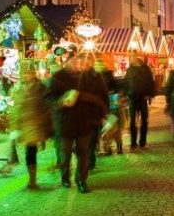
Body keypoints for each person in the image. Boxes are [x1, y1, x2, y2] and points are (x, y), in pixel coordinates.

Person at [47, 52, 109, 194]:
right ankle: (65, 177)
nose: (77, 64)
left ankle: (81, 181)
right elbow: (48, 99)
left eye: (78, 61)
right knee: (65, 153)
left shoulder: (85, 77)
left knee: (83, 153)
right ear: (66, 62)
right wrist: (62, 101)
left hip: (83, 122)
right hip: (65, 122)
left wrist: (101, 115)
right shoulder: (57, 78)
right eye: (74, 61)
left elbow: (98, 95)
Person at [10, 65, 52, 189]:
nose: (27, 75)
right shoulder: (17, 87)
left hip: (36, 123)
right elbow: (15, 107)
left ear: (34, 73)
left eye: (30, 73)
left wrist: (46, 124)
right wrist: (14, 125)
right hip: (23, 123)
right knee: (30, 151)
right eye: (25, 73)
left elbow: (47, 106)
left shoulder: (42, 87)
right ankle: (31, 179)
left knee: (32, 150)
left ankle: (32, 180)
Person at [124, 51, 155, 150]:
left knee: (144, 121)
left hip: (142, 98)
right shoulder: (130, 69)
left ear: (137, 56)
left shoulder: (145, 68)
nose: (132, 57)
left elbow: (150, 82)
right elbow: (126, 83)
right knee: (132, 122)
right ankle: (133, 143)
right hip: (132, 98)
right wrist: (126, 94)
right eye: (131, 56)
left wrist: (149, 94)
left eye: (133, 55)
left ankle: (142, 142)